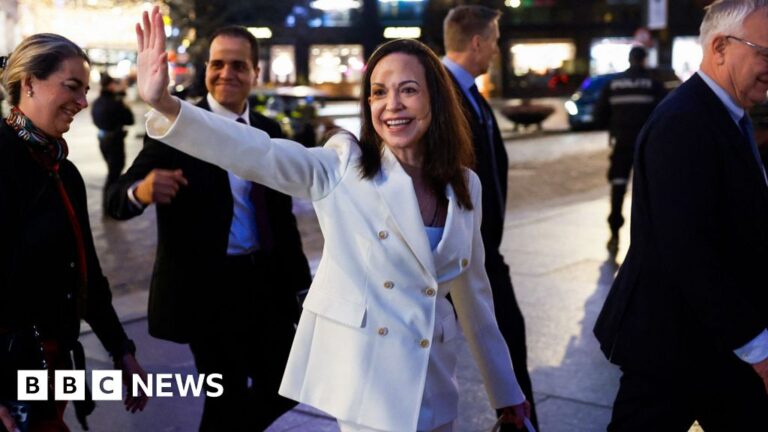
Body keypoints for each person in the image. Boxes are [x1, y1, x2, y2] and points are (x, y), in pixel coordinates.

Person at [135, 7, 531, 432]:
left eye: (408, 90)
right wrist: (167, 104)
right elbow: (257, 152)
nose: (391, 105)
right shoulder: (345, 165)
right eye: (378, 92)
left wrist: (507, 395)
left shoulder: (466, 185)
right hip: (369, 392)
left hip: (434, 389)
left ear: (435, 98)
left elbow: (474, 296)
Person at [105, 25, 312, 431]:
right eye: (217, 64)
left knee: (292, 382)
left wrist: (301, 286)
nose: (226, 73)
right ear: (205, 70)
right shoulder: (179, 126)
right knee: (226, 396)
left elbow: (281, 216)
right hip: (208, 290)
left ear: (255, 71)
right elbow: (116, 199)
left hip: (264, 283)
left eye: (238, 65)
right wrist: (141, 192)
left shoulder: (269, 130)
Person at [594, 1, 768, 430]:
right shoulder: (684, 121)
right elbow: (687, 251)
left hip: (714, 343)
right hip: (673, 347)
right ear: (721, 47)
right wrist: (757, 348)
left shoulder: (729, 114)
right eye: (765, 53)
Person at [0, 33, 148, 432]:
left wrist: (122, 351)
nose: (83, 102)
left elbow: (85, 273)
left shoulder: (63, 171)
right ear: (28, 83)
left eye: (84, 91)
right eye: (71, 87)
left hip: (51, 366)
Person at [442, 5, 537, 430]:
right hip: (462, 253)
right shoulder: (440, 93)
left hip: (483, 249)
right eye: (495, 41)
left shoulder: (470, 93)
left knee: (507, 346)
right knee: (506, 344)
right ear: (477, 42)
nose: (496, 50)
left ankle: (519, 420)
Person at [593, 46, 666, 256]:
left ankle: (614, 234)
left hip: (622, 146)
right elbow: (665, 114)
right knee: (648, 192)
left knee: (618, 189)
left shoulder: (614, 84)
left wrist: (616, 126)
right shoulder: (653, 84)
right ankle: (647, 239)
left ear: (629, 59)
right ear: (643, 60)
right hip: (647, 148)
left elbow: (599, 116)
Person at [91, 72, 134, 215]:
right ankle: (110, 206)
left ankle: (108, 205)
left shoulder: (97, 102)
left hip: (103, 139)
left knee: (112, 172)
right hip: (115, 141)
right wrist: (124, 104)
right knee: (114, 174)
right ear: (110, 86)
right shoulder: (115, 103)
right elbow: (130, 120)